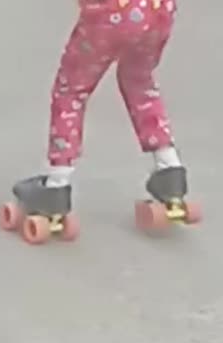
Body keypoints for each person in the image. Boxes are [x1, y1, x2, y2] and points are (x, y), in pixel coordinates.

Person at [10, 0, 188, 222]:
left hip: (112, 13)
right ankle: (170, 170)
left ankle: (56, 184)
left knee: (71, 91)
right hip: (158, 10)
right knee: (140, 82)